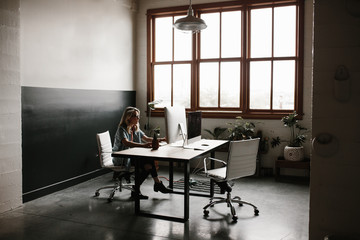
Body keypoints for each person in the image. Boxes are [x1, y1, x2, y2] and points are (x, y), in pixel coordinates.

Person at [112, 106, 172, 199]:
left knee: (149, 165)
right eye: (136, 116)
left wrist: (162, 139)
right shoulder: (122, 129)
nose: (138, 118)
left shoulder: (134, 128)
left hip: (131, 156)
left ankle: (141, 189)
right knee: (148, 164)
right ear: (129, 117)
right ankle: (156, 185)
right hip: (122, 158)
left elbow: (147, 138)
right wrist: (143, 145)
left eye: (138, 116)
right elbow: (126, 142)